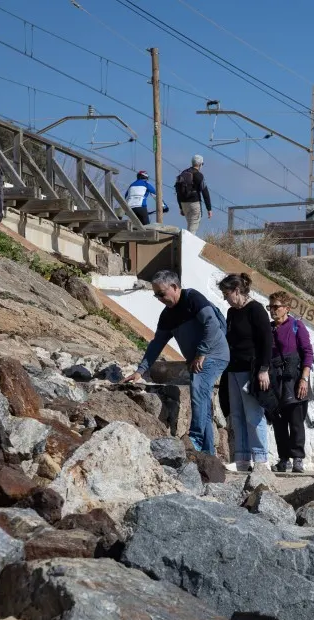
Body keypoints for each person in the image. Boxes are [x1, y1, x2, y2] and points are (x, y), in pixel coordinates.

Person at [123, 270, 229, 455]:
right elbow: (157, 344)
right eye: (155, 294)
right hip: (199, 357)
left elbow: (211, 324)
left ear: (174, 287)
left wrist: (201, 353)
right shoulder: (167, 315)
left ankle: (195, 439)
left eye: (161, 294)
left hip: (214, 354)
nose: (159, 298)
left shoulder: (193, 298)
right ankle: (208, 453)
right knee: (202, 398)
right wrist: (140, 371)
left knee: (198, 388)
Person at [218, 273, 272, 471]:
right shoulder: (232, 312)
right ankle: (242, 459)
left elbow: (267, 342)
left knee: (253, 414)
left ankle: (260, 459)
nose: (225, 298)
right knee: (237, 415)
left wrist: (263, 369)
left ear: (237, 291)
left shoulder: (256, 310)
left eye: (226, 293)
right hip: (233, 369)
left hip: (250, 370)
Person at [265, 291, 314, 473]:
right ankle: (283, 459)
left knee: (295, 421)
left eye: (276, 307)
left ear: (287, 308)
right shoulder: (268, 329)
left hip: (294, 379)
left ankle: (298, 459)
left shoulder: (296, 326)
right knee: (278, 421)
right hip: (274, 380)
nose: (272, 310)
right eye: (270, 307)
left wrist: (304, 379)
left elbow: (308, 353)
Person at [174, 155, 212, 234]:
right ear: (200, 164)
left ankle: (184, 242)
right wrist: (209, 209)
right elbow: (205, 192)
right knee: (192, 228)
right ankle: (185, 244)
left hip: (183, 203)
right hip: (194, 203)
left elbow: (178, 191)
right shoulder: (199, 175)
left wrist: (180, 207)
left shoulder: (183, 173)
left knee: (190, 225)